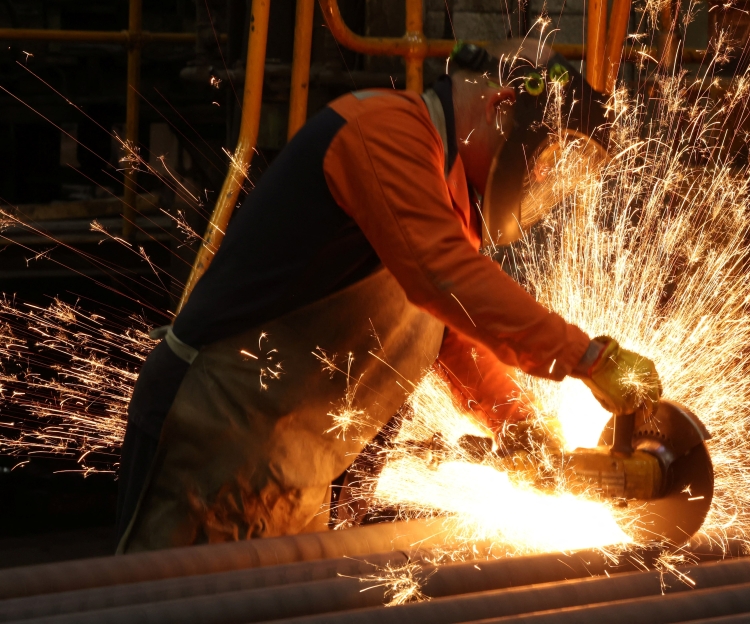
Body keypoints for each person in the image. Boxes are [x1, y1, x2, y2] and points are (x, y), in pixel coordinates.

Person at [115, 41, 661, 553]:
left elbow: (451, 334)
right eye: (541, 162)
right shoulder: (385, 130)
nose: (540, 179)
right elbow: (443, 277)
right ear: (501, 107)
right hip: (214, 439)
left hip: (290, 468)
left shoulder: (446, 199)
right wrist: (587, 356)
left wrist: (518, 426)